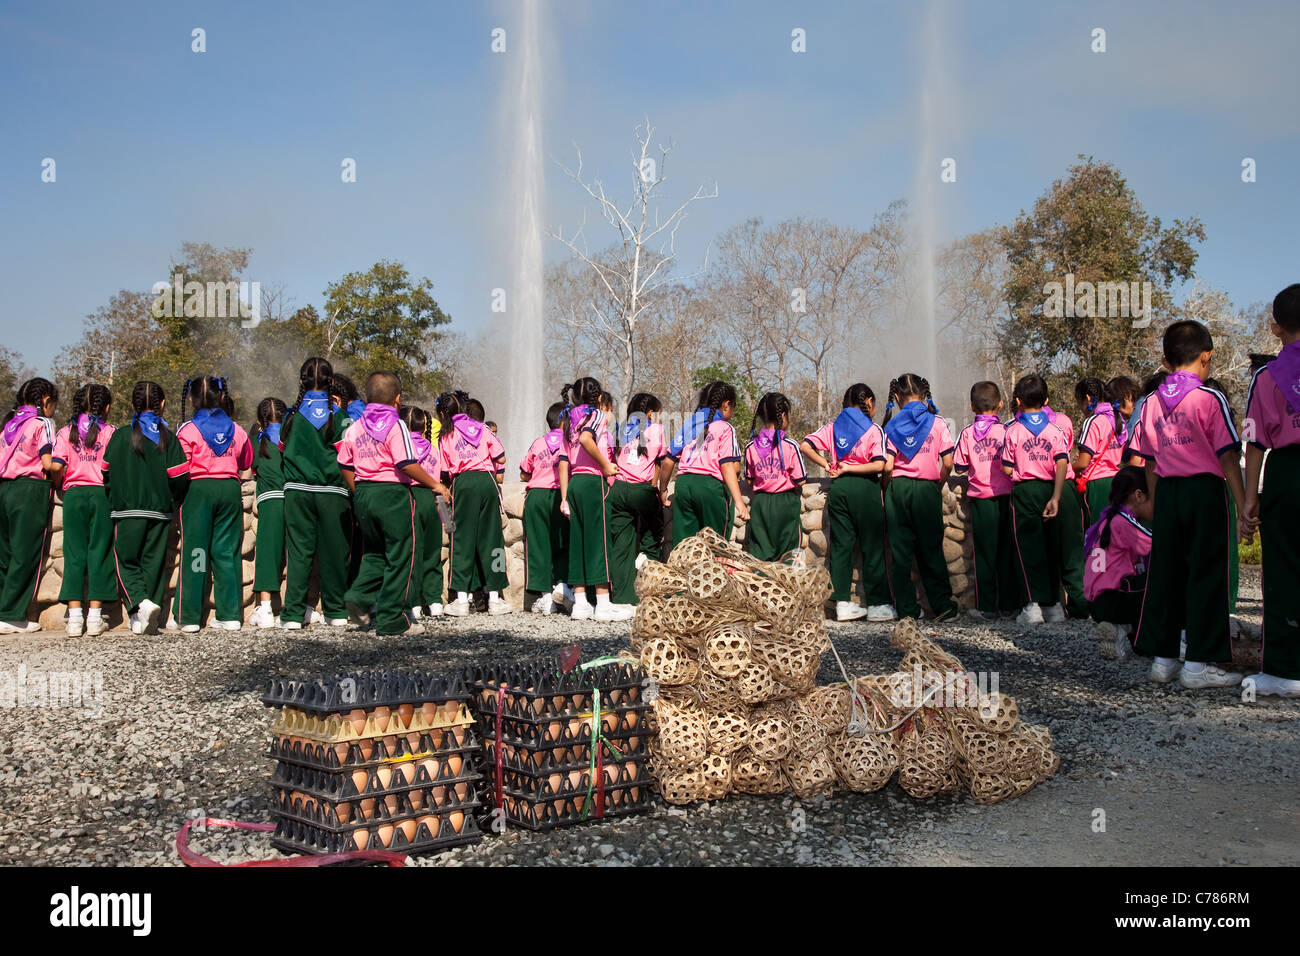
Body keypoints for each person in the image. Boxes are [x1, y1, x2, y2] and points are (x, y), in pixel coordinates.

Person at [1129, 320, 1246, 689]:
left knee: (1166, 575)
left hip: (1167, 493)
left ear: (1165, 360)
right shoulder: (1209, 398)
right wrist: (1244, 504)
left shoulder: (1150, 402)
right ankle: (1197, 664)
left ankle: (1163, 660)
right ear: (1207, 356)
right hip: (1204, 492)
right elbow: (1228, 456)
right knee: (1206, 575)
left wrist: (1151, 502)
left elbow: (1147, 460)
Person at [338, 372, 450, 635]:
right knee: (402, 555)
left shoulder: (355, 427)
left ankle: (358, 595)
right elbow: (406, 463)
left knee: (376, 553)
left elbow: (344, 463)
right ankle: (392, 619)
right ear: (398, 399)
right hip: (392, 495)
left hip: (364, 492)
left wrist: (359, 491)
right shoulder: (396, 425)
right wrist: (435, 484)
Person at [1241, 282, 1300, 697]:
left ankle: (1285, 669)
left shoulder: (1266, 376)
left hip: (1288, 474)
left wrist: (1249, 500)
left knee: (1283, 570)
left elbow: (1255, 442)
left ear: (1276, 328)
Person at [103, 382, 189, 635]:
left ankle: (139, 604)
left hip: (127, 511)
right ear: (162, 405)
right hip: (160, 512)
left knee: (126, 561)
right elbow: (180, 476)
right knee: (153, 563)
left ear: (132, 405)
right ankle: (146, 617)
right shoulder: (169, 438)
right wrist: (172, 499)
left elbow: (105, 471)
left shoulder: (119, 436)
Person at [799, 385, 889, 621]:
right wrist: (853, 467)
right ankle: (878, 605)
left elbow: (805, 445)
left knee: (841, 548)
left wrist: (828, 464)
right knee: (872, 547)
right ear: (868, 401)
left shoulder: (832, 427)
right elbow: (880, 464)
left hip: (839, 489)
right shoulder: (874, 429)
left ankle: (843, 604)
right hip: (866, 488)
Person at [173, 376, 253, 631]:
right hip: (229, 489)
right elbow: (246, 459)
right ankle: (230, 616)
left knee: (196, 552)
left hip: (198, 490)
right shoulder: (236, 428)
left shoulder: (187, 430)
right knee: (226, 552)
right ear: (220, 397)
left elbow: (178, 468)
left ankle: (189, 617)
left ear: (191, 399)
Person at [278, 358, 353, 630]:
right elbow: (348, 459)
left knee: (299, 554)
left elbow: (282, 449)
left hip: (297, 492)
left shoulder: (291, 416)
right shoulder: (341, 417)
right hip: (332, 493)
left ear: (301, 381)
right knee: (334, 553)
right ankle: (336, 611)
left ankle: (293, 615)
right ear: (332, 382)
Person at [882, 373, 958, 623]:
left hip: (899, 489)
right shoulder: (937, 423)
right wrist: (938, 483)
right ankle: (943, 607)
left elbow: (888, 466)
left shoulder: (891, 426)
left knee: (900, 552)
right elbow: (948, 462)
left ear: (896, 397)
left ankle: (907, 610)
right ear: (925, 395)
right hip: (927, 488)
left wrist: (886, 489)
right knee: (931, 548)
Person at [556, 378, 629, 621]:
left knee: (578, 543)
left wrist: (564, 497)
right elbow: (587, 439)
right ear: (598, 398)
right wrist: (606, 465)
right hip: (592, 482)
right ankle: (604, 605)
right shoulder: (596, 415)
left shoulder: (568, 419)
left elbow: (564, 461)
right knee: (599, 542)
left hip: (575, 484)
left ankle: (580, 604)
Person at [435, 389, 513, 616]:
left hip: (463, 483)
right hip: (487, 482)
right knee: (493, 539)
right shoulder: (483, 428)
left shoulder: (446, 435)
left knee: (461, 539)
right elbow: (501, 457)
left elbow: (443, 471)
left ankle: (460, 600)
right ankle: (496, 600)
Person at [1001, 374, 1071, 626]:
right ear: (1047, 400)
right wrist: (1056, 495)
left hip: (1024, 492)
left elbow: (1007, 468)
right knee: (1051, 548)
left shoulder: (1014, 431)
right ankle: (1053, 607)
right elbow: (1062, 461)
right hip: (1050, 489)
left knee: (1026, 549)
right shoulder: (1056, 430)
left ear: (1018, 401)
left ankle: (1032, 606)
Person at [50, 384, 116, 636]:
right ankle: (96, 618)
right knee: (99, 551)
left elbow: (56, 466)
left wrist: (60, 485)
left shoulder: (66, 432)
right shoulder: (110, 432)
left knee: (74, 552)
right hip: (101, 495)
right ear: (106, 407)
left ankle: (75, 618)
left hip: (74, 494)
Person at [953, 381, 1020, 620]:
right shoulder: (1007, 431)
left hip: (981, 500)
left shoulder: (967, 434)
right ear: (1001, 405)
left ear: (972, 406)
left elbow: (959, 467)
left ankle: (987, 607)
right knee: (1006, 551)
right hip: (1006, 498)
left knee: (983, 555)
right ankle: (1010, 606)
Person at [0, 378, 59, 633]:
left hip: (4, 489)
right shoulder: (41, 422)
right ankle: (12, 614)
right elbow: (47, 462)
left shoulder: (9, 423)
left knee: (5, 554)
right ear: (45, 401)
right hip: (29, 490)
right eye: (53, 405)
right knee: (26, 554)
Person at [662, 381, 749, 546]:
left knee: (685, 545)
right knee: (715, 544)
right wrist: (738, 501)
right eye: (733, 406)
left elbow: (668, 461)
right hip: (710, 487)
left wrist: (663, 489)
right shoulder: (724, 427)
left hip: (684, 485)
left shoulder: (689, 424)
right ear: (726, 405)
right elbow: (727, 466)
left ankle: (682, 571)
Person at [1084, 466, 1152, 661]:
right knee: (1155, 581)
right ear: (1139, 495)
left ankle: (1119, 629)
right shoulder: (1124, 522)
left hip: (1096, 603)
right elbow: (1154, 544)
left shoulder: (1105, 519)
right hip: (1114, 600)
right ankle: (1134, 633)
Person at [608, 392, 667, 606]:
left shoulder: (622, 429)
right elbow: (662, 462)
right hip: (641, 490)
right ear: (650, 413)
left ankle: (623, 597)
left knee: (621, 544)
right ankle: (646, 560)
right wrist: (661, 490)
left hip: (618, 489)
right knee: (654, 530)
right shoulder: (656, 429)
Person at [520, 402, 571, 614]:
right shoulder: (570, 442)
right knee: (563, 543)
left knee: (538, 546)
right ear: (565, 421)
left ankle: (545, 596)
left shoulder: (538, 443)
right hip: (561, 496)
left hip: (537, 496)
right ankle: (562, 585)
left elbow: (524, 472)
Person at [744, 392, 807, 563]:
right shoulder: (790, 445)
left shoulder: (750, 447)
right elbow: (801, 479)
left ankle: (762, 587)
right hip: (785, 503)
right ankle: (787, 588)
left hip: (760, 504)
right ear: (784, 416)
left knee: (760, 554)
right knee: (789, 552)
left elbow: (749, 480)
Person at [400, 404, 445, 620]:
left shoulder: (399, 447)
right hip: (431, 500)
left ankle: (413, 602)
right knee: (432, 551)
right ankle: (435, 600)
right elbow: (439, 483)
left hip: (408, 499)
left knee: (412, 553)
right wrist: (447, 518)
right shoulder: (433, 449)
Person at [248, 398, 288, 629]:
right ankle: (300, 605)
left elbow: (251, 468)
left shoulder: (257, 442)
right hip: (292, 499)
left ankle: (265, 608)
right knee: (297, 555)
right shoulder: (290, 439)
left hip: (270, 501)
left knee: (267, 555)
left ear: (259, 421)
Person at [1074, 377, 1127, 524]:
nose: (1080, 407)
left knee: (1095, 531)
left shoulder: (1093, 421)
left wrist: (1070, 470)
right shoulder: (1118, 420)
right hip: (1116, 481)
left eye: (1079, 402)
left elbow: (1083, 463)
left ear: (1087, 398)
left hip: (1096, 485)